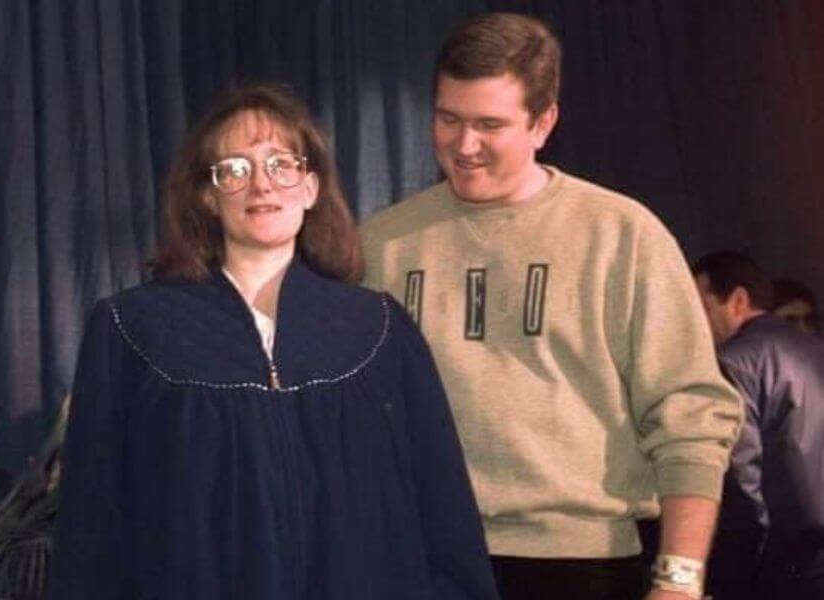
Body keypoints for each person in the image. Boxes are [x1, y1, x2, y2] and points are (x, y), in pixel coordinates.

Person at [48, 83, 499, 600]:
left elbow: (443, 510)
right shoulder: (132, 330)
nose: (261, 185)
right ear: (208, 196)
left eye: (281, 164)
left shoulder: (378, 329)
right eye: (235, 170)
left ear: (311, 188)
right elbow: (89, 527)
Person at [360, 13, 743, 600]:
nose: (464, 146)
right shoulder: (379, 243)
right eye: (448, 119)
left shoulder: (623, 235)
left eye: (490, 124)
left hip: (580, 564)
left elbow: (691, 415)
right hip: (416, 554)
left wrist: (681, 578)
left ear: (544, 122)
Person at [693, 252, 824, 599]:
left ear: (737, 300)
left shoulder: (732, 363)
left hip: (778, 566)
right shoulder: (814, 349)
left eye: (702, 308)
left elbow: (742, 486)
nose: (696, 323)